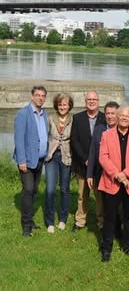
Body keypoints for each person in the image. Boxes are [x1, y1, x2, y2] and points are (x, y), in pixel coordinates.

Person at [98, 105, 129, 262]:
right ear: (117, 117)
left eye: (127, 115)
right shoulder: (106, 135)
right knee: (110, 217)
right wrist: (117, 175)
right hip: (112, 182)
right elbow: (103, 157)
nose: (124, 118)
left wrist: (125, 174)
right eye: (122, 115)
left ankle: (128, 246)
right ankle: (106, 249)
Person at [15, 85, 48, 237]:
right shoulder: (23, 113)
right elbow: (19, 139)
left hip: (39, 160)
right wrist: (21, 160)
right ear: (32, 96)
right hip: (27, 161)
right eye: (38, 95)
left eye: (43, 96)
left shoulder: (44, 114)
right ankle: (26, 225)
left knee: (34, 190)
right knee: (28, 190)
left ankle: (29, 219)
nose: (40, 98)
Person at [70, 91, 106, 232]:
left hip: (100, 165)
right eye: (89, 99)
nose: (91, 101)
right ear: (85, 102)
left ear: (98, 101)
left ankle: (101, 221)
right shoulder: (77, 118)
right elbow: (75, 141)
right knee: (82, 195)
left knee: (100, 196)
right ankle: (80, 221)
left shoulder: (105, 118)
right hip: (82, 164)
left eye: (94, 99)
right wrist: (85, 159)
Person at [43, 93, 73, 234]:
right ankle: (50, 221)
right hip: (51, 157)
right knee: (50, 189)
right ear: (56, 105)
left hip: (66, 157)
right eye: (60, 104)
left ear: (69, 106)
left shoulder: (73, 119)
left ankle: (62, 219)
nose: (62, 107)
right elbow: (44, 136)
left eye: (65, 104)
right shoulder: (50, 118)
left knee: (64, 189)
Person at [87, 101, 119, 231]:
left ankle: (117, 225)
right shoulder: (99, 129)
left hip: (117, 173)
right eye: (107, 113)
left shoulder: (122, 129)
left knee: (116, 202)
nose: (110, 116)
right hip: (100, 173)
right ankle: (102, 224)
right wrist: (89, 174)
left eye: (113, 113)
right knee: (101, 200)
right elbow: (92, 152)